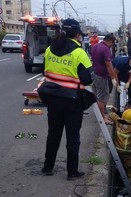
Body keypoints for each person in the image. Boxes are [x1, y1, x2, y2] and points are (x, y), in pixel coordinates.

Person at [37, 18, 95, 180]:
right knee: (73, 137)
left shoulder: (49, 49)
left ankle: (48, 167)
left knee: (53, 134)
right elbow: (88, 80)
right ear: (77, 35)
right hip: (72, 101)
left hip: (53, 99)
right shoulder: (79, 53)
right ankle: (72, 171)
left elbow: (44, 72)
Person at [107, 106, 131, 183]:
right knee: (129, 167)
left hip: (117, 148)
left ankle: (128, 168)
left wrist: (111, 109)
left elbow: (112, 115)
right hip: (126, 151)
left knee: (124, 162)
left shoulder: (118, 122)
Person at [90, 34, 116, 124]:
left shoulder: (95, 47)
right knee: (102, 97)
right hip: (102, 75)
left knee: (97, 96)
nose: (111, 46)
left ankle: (100, 115)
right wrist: (113, 78)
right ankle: (103, 118)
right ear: (110, 41)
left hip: (94, 73)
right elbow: (109, 65)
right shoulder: (106, 49)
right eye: (112, 44)